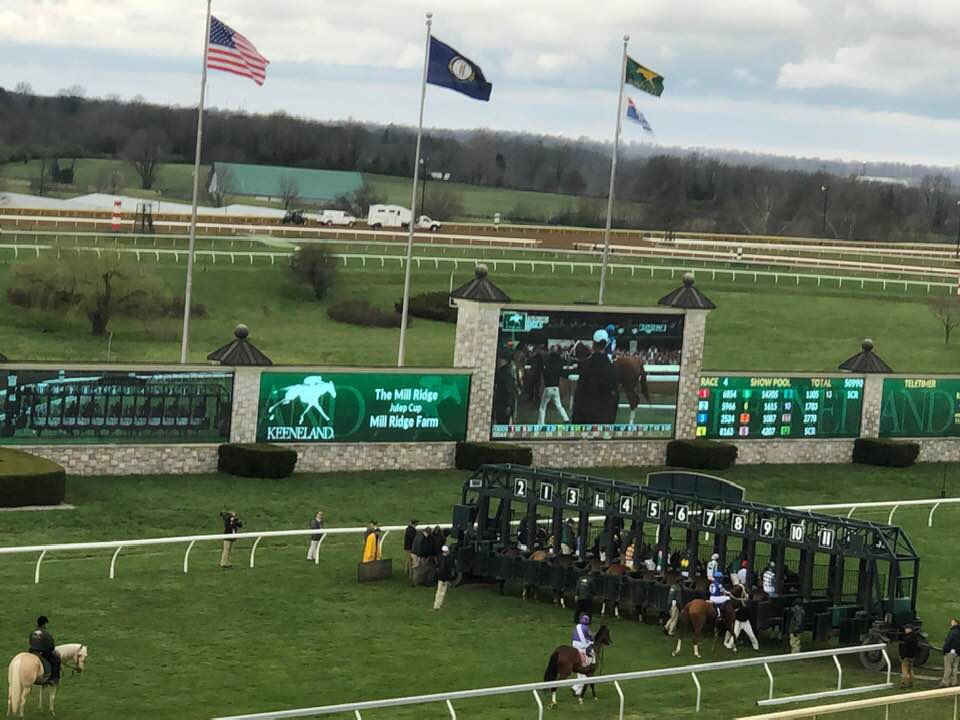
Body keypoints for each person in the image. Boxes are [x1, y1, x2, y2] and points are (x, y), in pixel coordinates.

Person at [571, 334, 618, 425]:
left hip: (584, 419)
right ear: (606, 344)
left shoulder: (585, 365)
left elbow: (579, 394)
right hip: (603, 421)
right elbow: (613, 395)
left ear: (593, 344)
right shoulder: (611, 368)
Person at [538, 345, 570, 425]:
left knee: (542, 407)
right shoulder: (558, 366)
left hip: (548, 388)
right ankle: (566, 419)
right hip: (556, 388)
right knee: (559, 405)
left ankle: (541, 424)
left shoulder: (547, 366)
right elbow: (563, 373)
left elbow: (544, 374)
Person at [28, 615, 60, 684]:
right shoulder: (46, 633)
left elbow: (30, 642)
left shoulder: (32, 632)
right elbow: (51, 645)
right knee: (56, 660)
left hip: (32, 652)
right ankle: (54, 679)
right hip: (42, 653)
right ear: (44, 624)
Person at [571, 614, 595, 697]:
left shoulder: (576, 626)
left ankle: (577, 689)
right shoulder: (587, 628)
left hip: (574, 646)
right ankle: (576, 688)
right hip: (581, 648)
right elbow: (591, 638)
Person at [492, 353, 518, 425]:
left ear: (505, 361)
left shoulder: (505, 373)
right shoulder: (503, 372)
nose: (498, 362)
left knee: (503, 424)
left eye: (500, 360)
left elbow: (508, 390)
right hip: (503, 403)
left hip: (503, 404)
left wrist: (508, 405)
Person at [434, 545, 455, 610]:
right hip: (443, 579)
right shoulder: (445, 560)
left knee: (440, 592)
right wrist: (444, 579)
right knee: (441, 592)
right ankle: (437, 606)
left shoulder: (440, 557)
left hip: (440, 578)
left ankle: (439, 605)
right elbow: (443, 570)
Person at [941, 618, 960, 687]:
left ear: (955, 623)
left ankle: (945, 682)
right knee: (955, 668)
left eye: (952, 622)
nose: (951, 623)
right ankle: (954, 682)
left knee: (948, 668)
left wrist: (944, 650)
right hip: (958, 653)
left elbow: (948, 642)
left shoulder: (952, 632)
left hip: (949, 652)